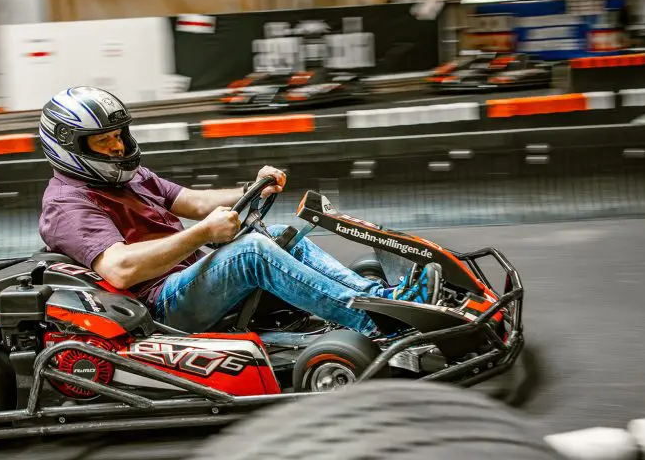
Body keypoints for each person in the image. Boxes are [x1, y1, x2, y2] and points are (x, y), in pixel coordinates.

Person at [36, 86, 437, 338]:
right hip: (157, 308)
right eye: (103, 142)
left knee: (277, 233)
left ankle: (383, 301)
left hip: (185, 280)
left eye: (117, 137)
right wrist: (201, 234)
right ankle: (378, 325)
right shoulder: (69, 203)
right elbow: (120, 268)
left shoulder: (128, 177)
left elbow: (191, 202)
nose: (118, 149)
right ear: (69, 147)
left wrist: (251, 187)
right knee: (249, 254)